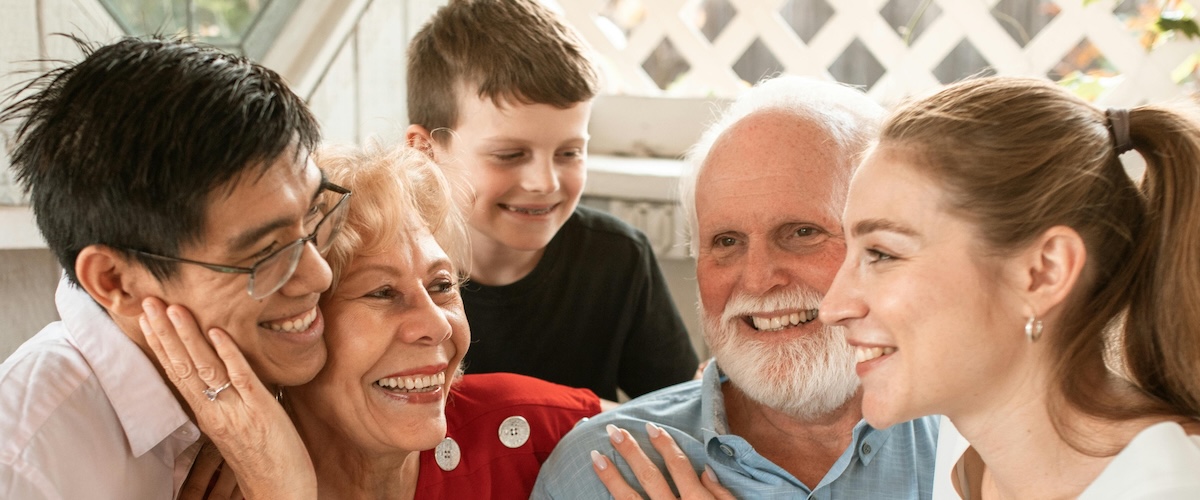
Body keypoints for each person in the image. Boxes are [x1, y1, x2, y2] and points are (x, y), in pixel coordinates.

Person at [533, 76, 939, 499]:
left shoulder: (972, 444)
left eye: (802, 232)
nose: (759, 279)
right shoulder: (603, 472)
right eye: (726, 241)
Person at [142, 144, 608, 499]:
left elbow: (680, 416)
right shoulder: (207, 484)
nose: (437, 325)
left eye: (442, 285)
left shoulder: (524, 428)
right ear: (298, 324)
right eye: (382, 292)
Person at [819, 76, 1200, 499]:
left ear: (1043, 273)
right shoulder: (967, 456)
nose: (833, 307)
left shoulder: (1172, 486)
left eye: (882, 254)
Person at [0, 36, 335, 499]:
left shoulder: (291, 359)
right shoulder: (25, 462)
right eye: (265, 253)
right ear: (115, 281)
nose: (320, 275)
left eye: (314, 217)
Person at [404, 0, 699, 401]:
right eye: (510, 155)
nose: (545, 182)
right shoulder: (388, 272)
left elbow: (679, 414)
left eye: (569, 153)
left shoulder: (618, 259)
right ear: (426, 151)